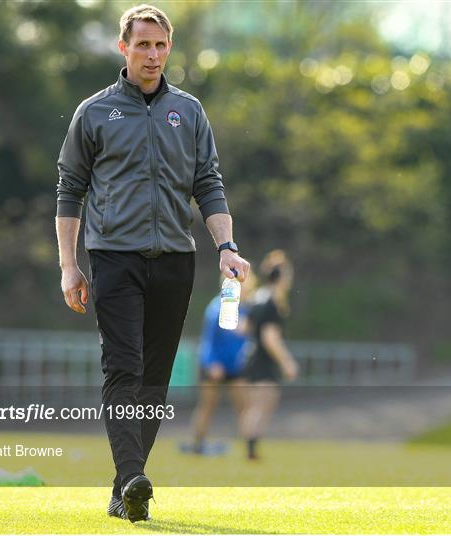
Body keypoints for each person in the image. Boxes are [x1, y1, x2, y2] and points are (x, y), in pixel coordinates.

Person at [55, 4, 250, 523]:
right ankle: (134, 476)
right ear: (124, 48)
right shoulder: (94, 113)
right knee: (124, 367)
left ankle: (126, 489)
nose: (153, 54)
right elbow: (70, 191)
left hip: (176, 261)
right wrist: (69, 267)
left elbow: (208, 183)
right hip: (113, 259)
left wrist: (226, 248)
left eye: (161, 45)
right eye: (143, 44)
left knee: (156, 378)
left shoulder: (188, 111)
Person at [186, 271, 257, 455]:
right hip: (213, 365)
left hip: (235, 366)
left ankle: (250, 448)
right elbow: (208, 341)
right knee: (207, 406)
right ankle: (197, 444)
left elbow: (246, 337)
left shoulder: (245, 309)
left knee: (244, 406)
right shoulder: (216, 307)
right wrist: (212, 363)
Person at [240, 250, 299, 460]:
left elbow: (243, 328)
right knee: (263, 404)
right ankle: (251, 449)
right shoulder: (271, 302)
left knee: (255, 405)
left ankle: (250, 448)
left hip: (252, 356)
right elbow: (270, 338)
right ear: (281, 277)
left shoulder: (257, 297)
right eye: (288, 275)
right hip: (263, 358)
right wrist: (287, 362)